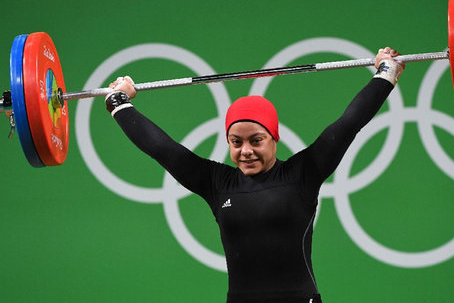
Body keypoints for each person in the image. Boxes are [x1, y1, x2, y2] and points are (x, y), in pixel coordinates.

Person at [104, 47, 404, 303]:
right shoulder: (216, 182)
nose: (245, 151)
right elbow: (163, 149)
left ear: (274, 138)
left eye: (255, 140)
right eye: (236, 142)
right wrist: (120, 101)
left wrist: (385, 74)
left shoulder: (304, 172)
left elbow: (349, 124)